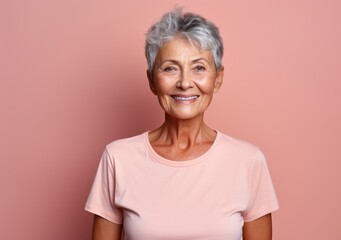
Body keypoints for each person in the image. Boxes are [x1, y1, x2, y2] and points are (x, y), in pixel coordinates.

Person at [85, 7, 279, 240]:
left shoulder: (248, 161)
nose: (185, 82)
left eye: (198, 68)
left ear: (218, 79)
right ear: (151, 80)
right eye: (170, 68)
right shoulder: (118, 159)